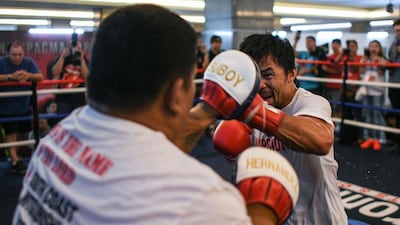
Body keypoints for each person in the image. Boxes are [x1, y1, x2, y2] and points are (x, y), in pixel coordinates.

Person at [13, 4, 298, 225]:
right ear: (177, 94)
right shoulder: (196, 197)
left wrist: (209, 107)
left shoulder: (57, 139)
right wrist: (262, 214)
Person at [211, 33, 348, 225]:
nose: (260, 84)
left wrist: (256, 113)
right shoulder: (250, 112)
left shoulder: (310, 103)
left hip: (319, 217)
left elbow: (320, 140)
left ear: (292, 74)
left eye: (268, 75)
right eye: (254, 77)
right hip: (277, 217)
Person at [0, 42, 43, 174]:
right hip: (6, 106)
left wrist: (28, 75)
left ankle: (15, 158)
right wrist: (10, 77)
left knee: (23, 134)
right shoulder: (1, 62)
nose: (17, 58)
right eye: (14, 55)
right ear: (8, 54)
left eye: (20, 55)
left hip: (24, 105)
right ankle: (15, 160)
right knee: (10, 133)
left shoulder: (28, 62)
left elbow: (40, 76)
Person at [358, 40, 388, 151]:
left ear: (379, 48)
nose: (373, 48)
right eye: (371, 46)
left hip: (377, 91)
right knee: (367, 114)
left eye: (376, 46)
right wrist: (364, 62)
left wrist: (377, 61)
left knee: (376, 114)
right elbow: (361, 71)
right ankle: (370, 138)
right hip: (366, 90)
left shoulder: (382, 59)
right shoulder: (365, 58)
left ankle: (377, 139)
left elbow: (381, 72)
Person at [51, 33, 89, 114]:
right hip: (63, 97)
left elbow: (87, 76)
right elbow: (55, 72)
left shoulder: (83, 58)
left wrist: (82, 58)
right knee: (63, 119)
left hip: (79, 97)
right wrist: (62, 56)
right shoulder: (63, 57)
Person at [322, 39, 344, 117]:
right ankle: (331, 126)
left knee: (336, 106)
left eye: (336, 43)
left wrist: (328, 69)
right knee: (328, 106)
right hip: (328, 84)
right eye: (333, 43)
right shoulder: (329, 57)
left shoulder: (342, 57)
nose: (334, 45)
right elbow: (323, 67)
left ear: (339, 45)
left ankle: (337, 127)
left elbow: (339, 70)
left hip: (337, 85)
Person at [387, 18, 400, 154]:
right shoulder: (393, 44)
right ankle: (398, 144)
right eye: (396, 30)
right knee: (397, 114)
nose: (398, 32)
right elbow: (390, 62)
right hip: (393, 82)